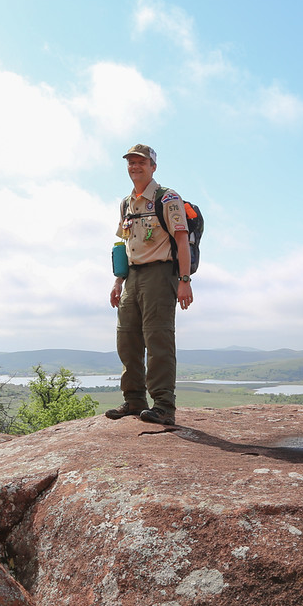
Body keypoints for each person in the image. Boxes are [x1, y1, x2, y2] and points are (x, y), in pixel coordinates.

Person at [106, 144, 193, 426]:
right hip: (132, 277)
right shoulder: (126, 203)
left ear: (153, 166)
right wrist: (118, 281)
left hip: (160, 273)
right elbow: (124, 243)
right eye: (131, 162)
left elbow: (181, 240)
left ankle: (164, 406)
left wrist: (184, 280)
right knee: (127, 338)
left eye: (141, 162)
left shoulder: (167, 198)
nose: (135, 166)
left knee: (158, 340)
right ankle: (134, 400)